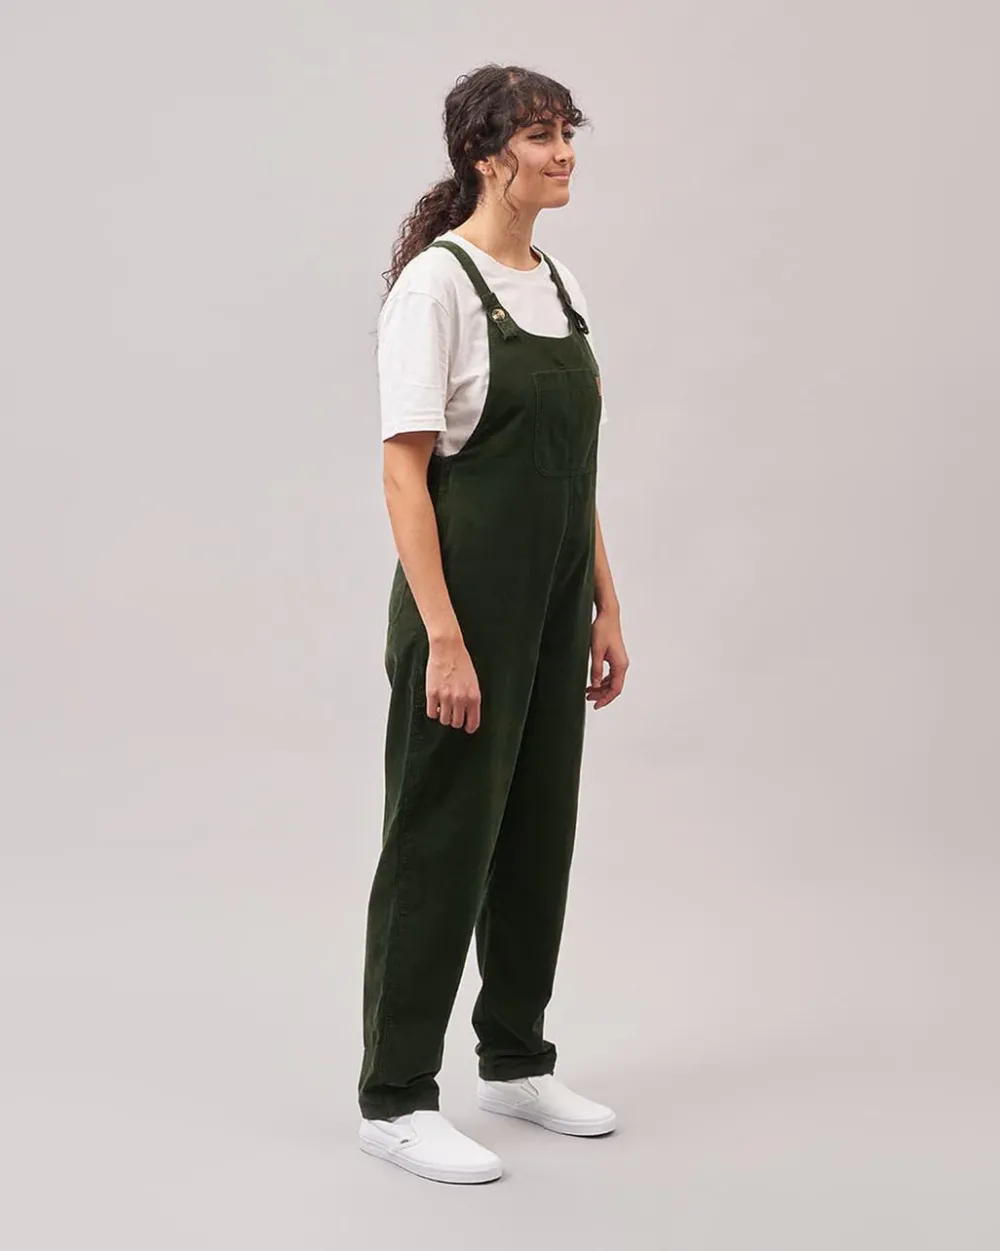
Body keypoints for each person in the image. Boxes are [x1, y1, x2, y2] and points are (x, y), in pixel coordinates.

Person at [357, 64, 630, 1185]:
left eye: (568, 132)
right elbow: (403, 475)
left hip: (556, 603)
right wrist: (445, 636)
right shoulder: (437, 287)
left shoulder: (556, 282)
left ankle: (515, 1059)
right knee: (441, 841)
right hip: (464, 606)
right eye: (539, 135)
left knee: (536, 832)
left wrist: (606, 600)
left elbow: (576, 466)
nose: (563, 153)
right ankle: (393, 1097)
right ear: (485, 154)